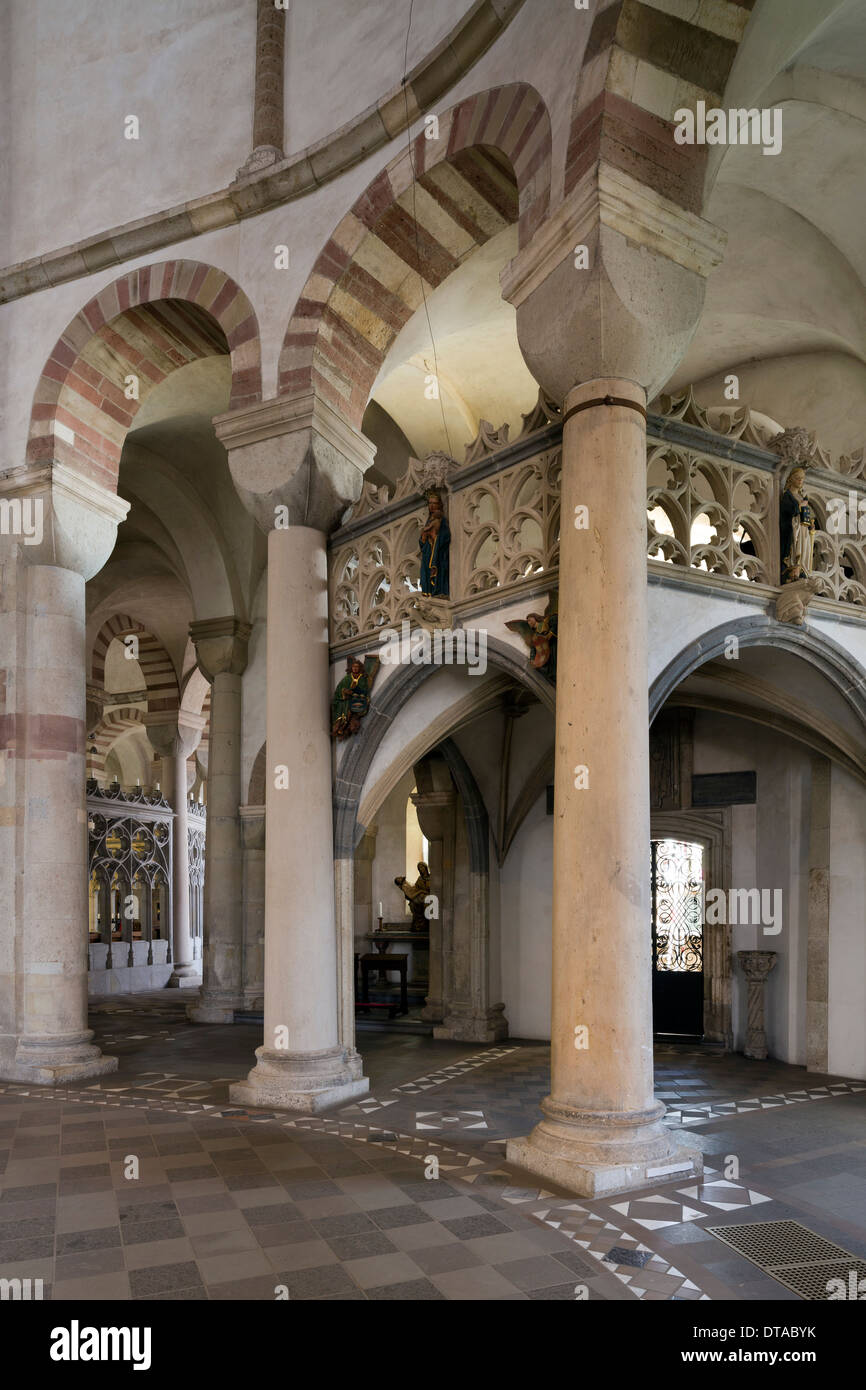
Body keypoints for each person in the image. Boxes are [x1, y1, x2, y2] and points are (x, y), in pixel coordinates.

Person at [780, 466, 816, 584]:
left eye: (802, 478)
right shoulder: (787, 495)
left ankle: (801, 568)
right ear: (790, 479)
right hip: (794, 528)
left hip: (803, 529)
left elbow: (806, 514)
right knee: (795, 548)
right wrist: (799, 507)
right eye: (797, 478)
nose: (800, 481)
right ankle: (793, 567)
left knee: (804, 547)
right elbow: (787, 509)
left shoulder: (801, 497)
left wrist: (811, 524)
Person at [419, 491, 450, 597]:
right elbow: (422, 543)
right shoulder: (429, 521)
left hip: (438, 555)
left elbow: (446, 536)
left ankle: (438, 591)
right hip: (428, 554)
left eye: (434, 503)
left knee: (438, 572)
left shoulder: (442, 521)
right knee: (426, 574)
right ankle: (430, 591)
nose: (431, 506)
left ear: (439, 505)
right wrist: (424, 537)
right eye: (430, 503)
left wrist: (435, 536)